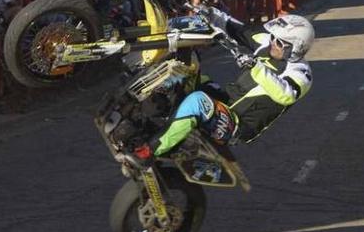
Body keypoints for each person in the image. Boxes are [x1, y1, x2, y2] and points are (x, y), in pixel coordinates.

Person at [131, 12, 314, 163]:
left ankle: (149, 152)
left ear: (296, 48)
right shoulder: (268, 43)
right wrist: (209, 13)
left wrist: (256, 67)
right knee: (188, 70)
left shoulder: (301, 73)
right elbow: (235, 28)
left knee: (198, 102)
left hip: (237, 124)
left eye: (280, 42)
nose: (273, 42)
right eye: (274, 37)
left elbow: (286, 95)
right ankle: (139, 106)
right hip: (225, 99)